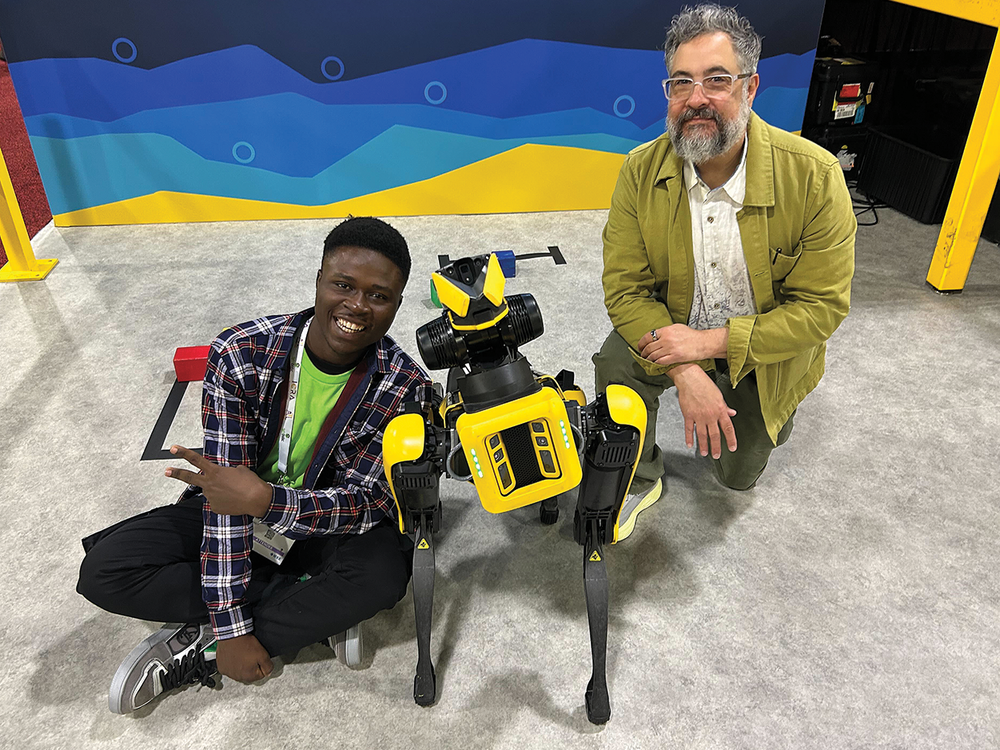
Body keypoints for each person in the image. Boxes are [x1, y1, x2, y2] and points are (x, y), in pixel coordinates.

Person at [77, 216, 433, 713]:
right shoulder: (242, 351)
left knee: (383, 576)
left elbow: (366, 503)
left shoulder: (405, 385)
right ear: (318, 280)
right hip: (237, 513)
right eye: (343, 285)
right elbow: (225, 497)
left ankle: (201, 649)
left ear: (396, 305)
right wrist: (233, 626)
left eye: (379, 296)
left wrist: (269, 500)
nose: (357, 306)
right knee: (105, 572)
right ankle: (308, 611)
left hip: (321, 524)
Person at [595, 4, 856, 540]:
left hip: (761, 344)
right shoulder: (639, 172)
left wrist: (709, 344)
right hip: (672, 325)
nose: (696, 99)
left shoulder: (814, 177)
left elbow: (820, 311)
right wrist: (686, 368)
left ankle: (769, 406)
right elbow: (625, 289)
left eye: (716, 80)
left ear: (751, 87)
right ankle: (643, 473)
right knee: (615, 365)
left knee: (736, 477)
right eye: (681, 83)